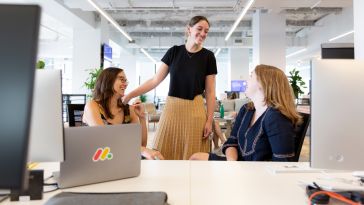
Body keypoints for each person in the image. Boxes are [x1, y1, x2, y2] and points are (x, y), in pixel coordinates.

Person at [122, 16, 217, 160]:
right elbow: (154, 81)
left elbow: (210, 92)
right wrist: (129, 95)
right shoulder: (174, 52)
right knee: (162, 151)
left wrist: (209, 120)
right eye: (199, 29)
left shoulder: (208, 57)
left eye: (206, 31)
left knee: (193, 156)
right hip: (172, 108)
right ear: (189, 30)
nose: (203, 33)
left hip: (196, 111)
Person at [190, 64, 301, 161]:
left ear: (263, 83)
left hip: (255, 174)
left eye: (251, 76)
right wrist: (231, 163)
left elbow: (282, 163)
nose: (246, 81)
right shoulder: (247, 109)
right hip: (238, 164)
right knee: (195, 158)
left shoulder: (277, 117)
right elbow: (232, 141)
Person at [82, 67, 164, 160]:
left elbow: (140, 144)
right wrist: (142, 150)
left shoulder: (128, 110)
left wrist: (142, 117)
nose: (125, 84)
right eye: (121, 79)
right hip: (97, 159)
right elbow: (103, 139)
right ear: (108, 80)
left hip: (120, 158)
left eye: (126, 81)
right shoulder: (92, 106)